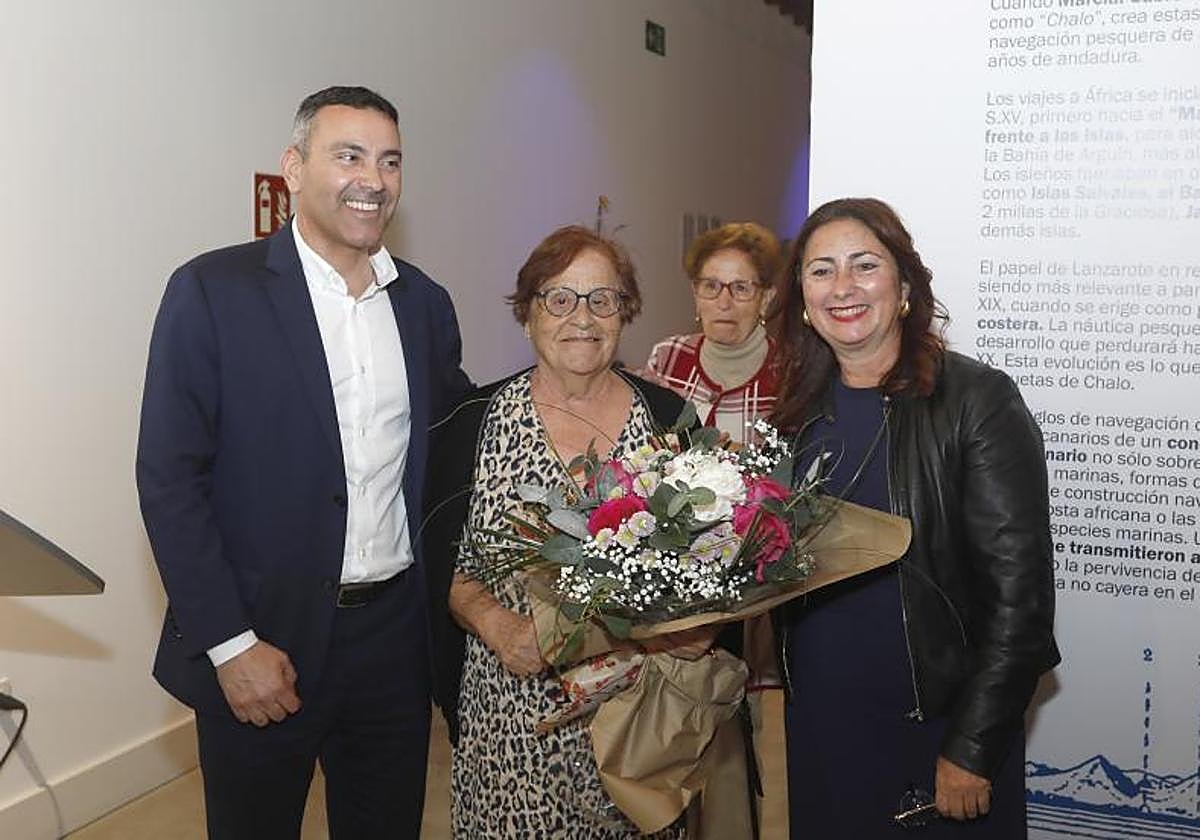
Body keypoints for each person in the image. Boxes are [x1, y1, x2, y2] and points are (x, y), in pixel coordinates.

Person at [136, 86, 470, 839]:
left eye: (390, 161)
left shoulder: (425, 305)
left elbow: (455, 447)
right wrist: (228, 642)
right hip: (262, 639)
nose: (373, 179)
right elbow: (169, 479)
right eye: (348, 155)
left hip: (392, 641)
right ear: (293, 167)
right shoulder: (212, 292)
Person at [770, 198, 1059, 837]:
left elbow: (1022, 603)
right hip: (823, 729)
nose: (842, 287)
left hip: (936, 735)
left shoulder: (975, 401)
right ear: (801, 296)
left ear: (903, 285)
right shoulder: (792, 417)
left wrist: (972, 749)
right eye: (820, 271)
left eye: (864, 265)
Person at [423, 226, 714, 839]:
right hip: (512, 711)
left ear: (625, 313)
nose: (581, 317)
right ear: (527, 314)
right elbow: (438, 563)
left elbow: (720, 557)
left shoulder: (672, 421)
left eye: (602, 299)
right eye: (559, 298)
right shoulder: (471, 424)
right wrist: (497, 625)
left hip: (641, 720)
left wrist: (701, 626)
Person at [642, 222, 782, 446]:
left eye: (741, 288)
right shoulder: (667, 357)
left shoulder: (790, 376)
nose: (723, 303)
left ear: (765, 299)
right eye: (710, 286)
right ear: (696, 295)